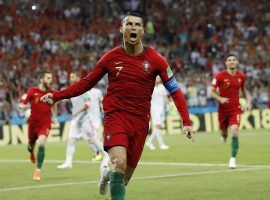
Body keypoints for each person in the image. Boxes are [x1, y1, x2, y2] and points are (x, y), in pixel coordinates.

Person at [41, 12, 194, 200]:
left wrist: (186, 120)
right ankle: (112, 170)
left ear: (143, 31)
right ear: (122, 29)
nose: (133, 27)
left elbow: (175, 90)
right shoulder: (111, 57)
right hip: (116, 117)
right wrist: (57, 96)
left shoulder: (156, 60)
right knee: (120, 162)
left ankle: (107, 175)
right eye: (129, 24)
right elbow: (86, 83)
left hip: (140, 122)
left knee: (124, 178)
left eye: (138, 25)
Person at [57, 72, 109, 169]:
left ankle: (106, 154)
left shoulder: (82, 88)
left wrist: (77, 112)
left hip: (85, 118)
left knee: (92, 139)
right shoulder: (72, 88)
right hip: (76, 120)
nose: (70, 78)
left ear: (77, 77)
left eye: (72, 76)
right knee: (71, 140)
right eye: (70, 76)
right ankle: (68, 162)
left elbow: (87, 103)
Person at [210, 53, 251, 169]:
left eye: (234, 60)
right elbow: (211, 91)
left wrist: (247, 103)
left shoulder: (241, 76)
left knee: (234, 130)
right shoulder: (219, 76)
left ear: (237, 62)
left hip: (235, 109)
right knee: (223, 131)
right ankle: (223, 135)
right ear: (226, 63)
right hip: (222, 110)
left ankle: (232, 159)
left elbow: (244, 90)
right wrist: (220, 98)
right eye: (229, 60)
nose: (232, 62)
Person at [19, 70, 57, 181]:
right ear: (41, 79)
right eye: (48, 78)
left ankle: (37, 171)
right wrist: (22, 106)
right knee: (31, 145)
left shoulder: (52, 92)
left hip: (45, 123)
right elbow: (22, 102)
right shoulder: (32, 91)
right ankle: (31, 153)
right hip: (33, 123)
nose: (51, 80)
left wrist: (54, 116)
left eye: (51, 78)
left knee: (41, 142)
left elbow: (55, 104)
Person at [146, 76, 170, 150]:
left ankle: (150, 142)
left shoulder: (162, 87)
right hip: (154, 109)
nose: (158, 79)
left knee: (158, 127)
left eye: (159, 78)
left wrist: (168, 105)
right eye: (157, 78)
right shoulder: (150, 87)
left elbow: (166, 97)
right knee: (157, 126)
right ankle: (160, 144)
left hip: (161, 109)